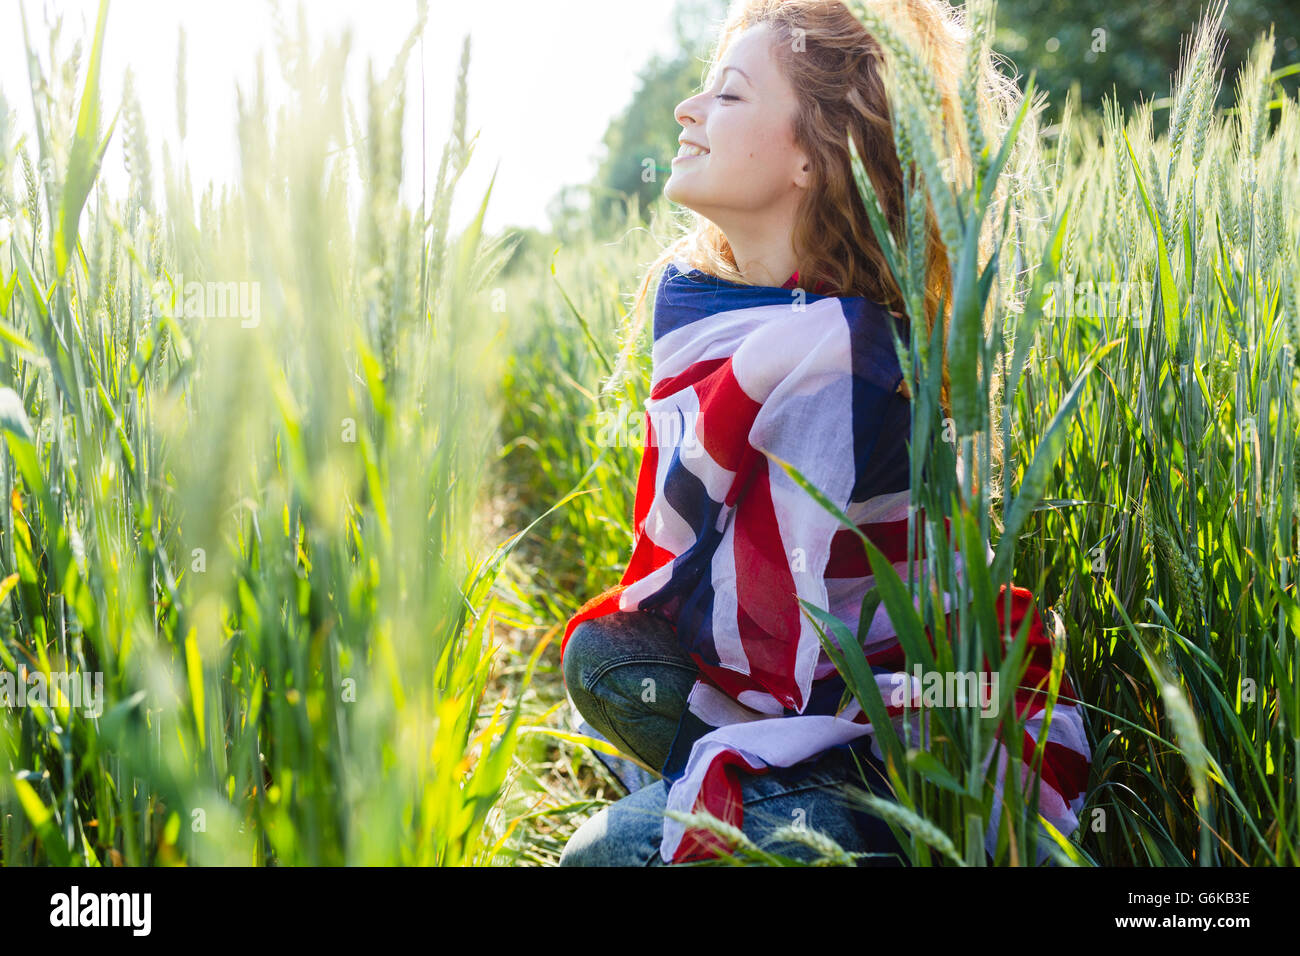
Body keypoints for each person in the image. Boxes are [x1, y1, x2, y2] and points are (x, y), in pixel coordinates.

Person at [558, 0, 1092, 867]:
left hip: (908, 738)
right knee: (602, 657)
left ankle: (845, 827)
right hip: (820, 691)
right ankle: (770, 801)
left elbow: (785, 641)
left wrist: (773, 366)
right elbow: (691, 579)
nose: (689, 112)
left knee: (600, 858)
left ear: (812, 154)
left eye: (727, 97)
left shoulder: (840, 352)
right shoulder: (743, 320)